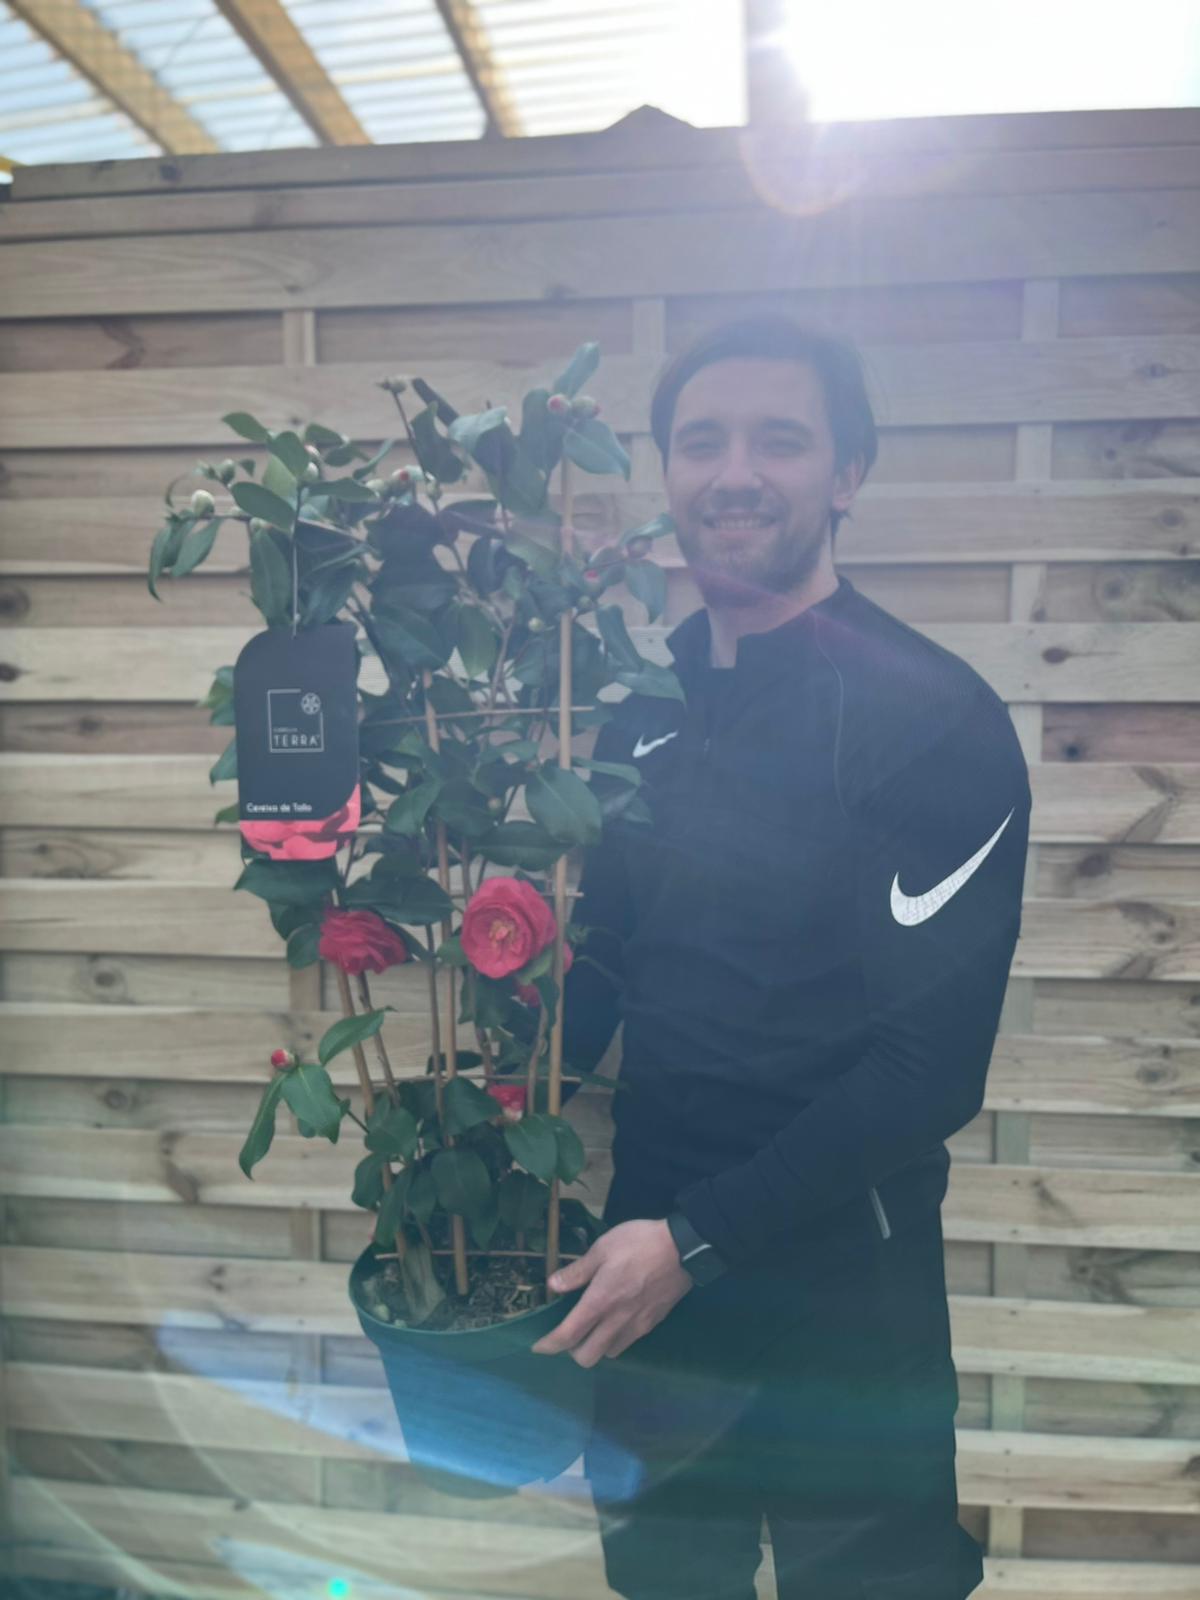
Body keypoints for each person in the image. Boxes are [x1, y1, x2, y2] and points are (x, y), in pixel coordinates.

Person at [530, 313, 1032, 1600]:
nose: (734, 471)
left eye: (780, 439)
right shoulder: (641, 714)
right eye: (701, 440)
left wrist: (696, 1240)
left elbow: (930, 1069)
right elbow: (602, 971)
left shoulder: (935, 719)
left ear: (847, 474)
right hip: (642, 1285)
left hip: (842, 1301)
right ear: (667, 472)